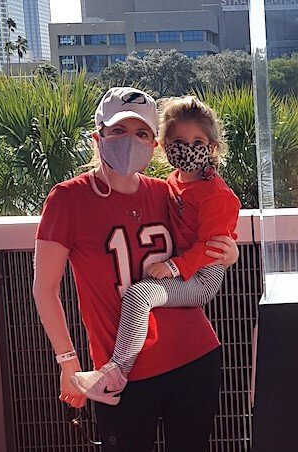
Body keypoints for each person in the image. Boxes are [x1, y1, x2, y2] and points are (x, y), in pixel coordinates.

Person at [33, 87, 240, 451]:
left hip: (194, 357)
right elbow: (44, 288)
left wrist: (227, 251)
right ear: (98, 135)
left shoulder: (165, 192)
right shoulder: (68, 198)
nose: (130, 141)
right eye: (118, 131)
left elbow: (208, 229)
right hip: (120, 374)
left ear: (154, 144)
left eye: (142, 133)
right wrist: (69, 364)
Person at [70, 95, 241, 405]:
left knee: (139, 295)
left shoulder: (217, 195)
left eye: (197, 141)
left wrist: (174, 267)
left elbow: (211, 246)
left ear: (212, 147)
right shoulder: (172, 183)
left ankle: (116, 373)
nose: (187, 148)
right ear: (163, 145)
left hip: (201, 277)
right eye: (178, 140)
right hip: (188, 274)